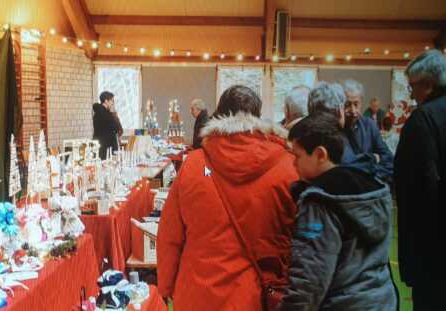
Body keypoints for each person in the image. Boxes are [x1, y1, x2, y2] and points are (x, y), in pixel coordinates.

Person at [157, 85, 299, 310]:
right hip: (252, 296)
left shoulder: (194, 164)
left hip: (197, 292)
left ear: (218, 114)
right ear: (258, 117)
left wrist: (165, 288)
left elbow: (169, 235)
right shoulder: (288, 167)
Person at [281, 113, 397, 310]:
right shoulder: (374, 189)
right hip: (382, 301)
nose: (293, 164)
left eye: (297, 156)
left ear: (320, 154)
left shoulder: (320, 201)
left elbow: (310, 278)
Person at [394, 49, 446, 310]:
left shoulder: (423, 119)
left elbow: (418, 186)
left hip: (433, 249)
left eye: (412, 86)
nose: (411, 94)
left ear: (428, 84)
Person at [341, 79, 394, 180]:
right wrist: (373, 158)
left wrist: (368, 174)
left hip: (371, 187)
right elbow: (345, 166)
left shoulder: (369, 125)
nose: (353, 110)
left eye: (356, 104)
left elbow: (389, 158)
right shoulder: (335, 129)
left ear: (361, 103)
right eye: (347, 105)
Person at [93, 91, 121, 159]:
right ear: (106, 101)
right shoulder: (106, 113)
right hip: (106, 147)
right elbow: (117, 128)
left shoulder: (98, 112)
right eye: (112, 100)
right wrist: (113, 113)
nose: (113, 103)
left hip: (99, 145)